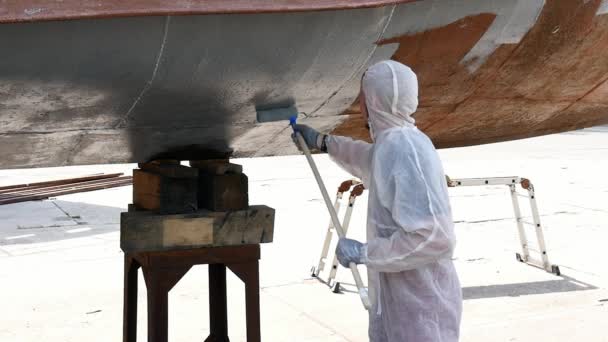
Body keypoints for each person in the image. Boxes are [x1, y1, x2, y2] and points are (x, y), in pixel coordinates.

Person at [292, 60, 462, 341]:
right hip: (404, 302)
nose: (360, 104)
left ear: (372, 100)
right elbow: (367, 160)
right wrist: (322, 142)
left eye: (363, 96)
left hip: (421, 306)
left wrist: (365, 253)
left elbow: (435, 237)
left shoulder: (403, 149)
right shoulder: (395, 143)